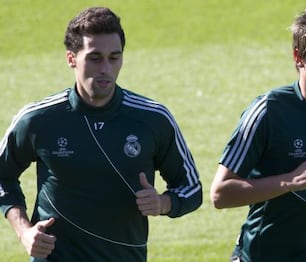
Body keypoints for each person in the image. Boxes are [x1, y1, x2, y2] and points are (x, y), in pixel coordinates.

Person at [0, 7, 202, 261]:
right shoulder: (39, 119)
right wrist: (24, 231)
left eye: (114, 57)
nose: (106, 68)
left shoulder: (153, 119)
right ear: (71, 58)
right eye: (95, 58)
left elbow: (191, 188)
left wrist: (163, 203)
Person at [210, 5, 306, 262]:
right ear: (299, 57)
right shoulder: (268, 111)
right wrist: (291, 181)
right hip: (266, 254)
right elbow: (220, 194)